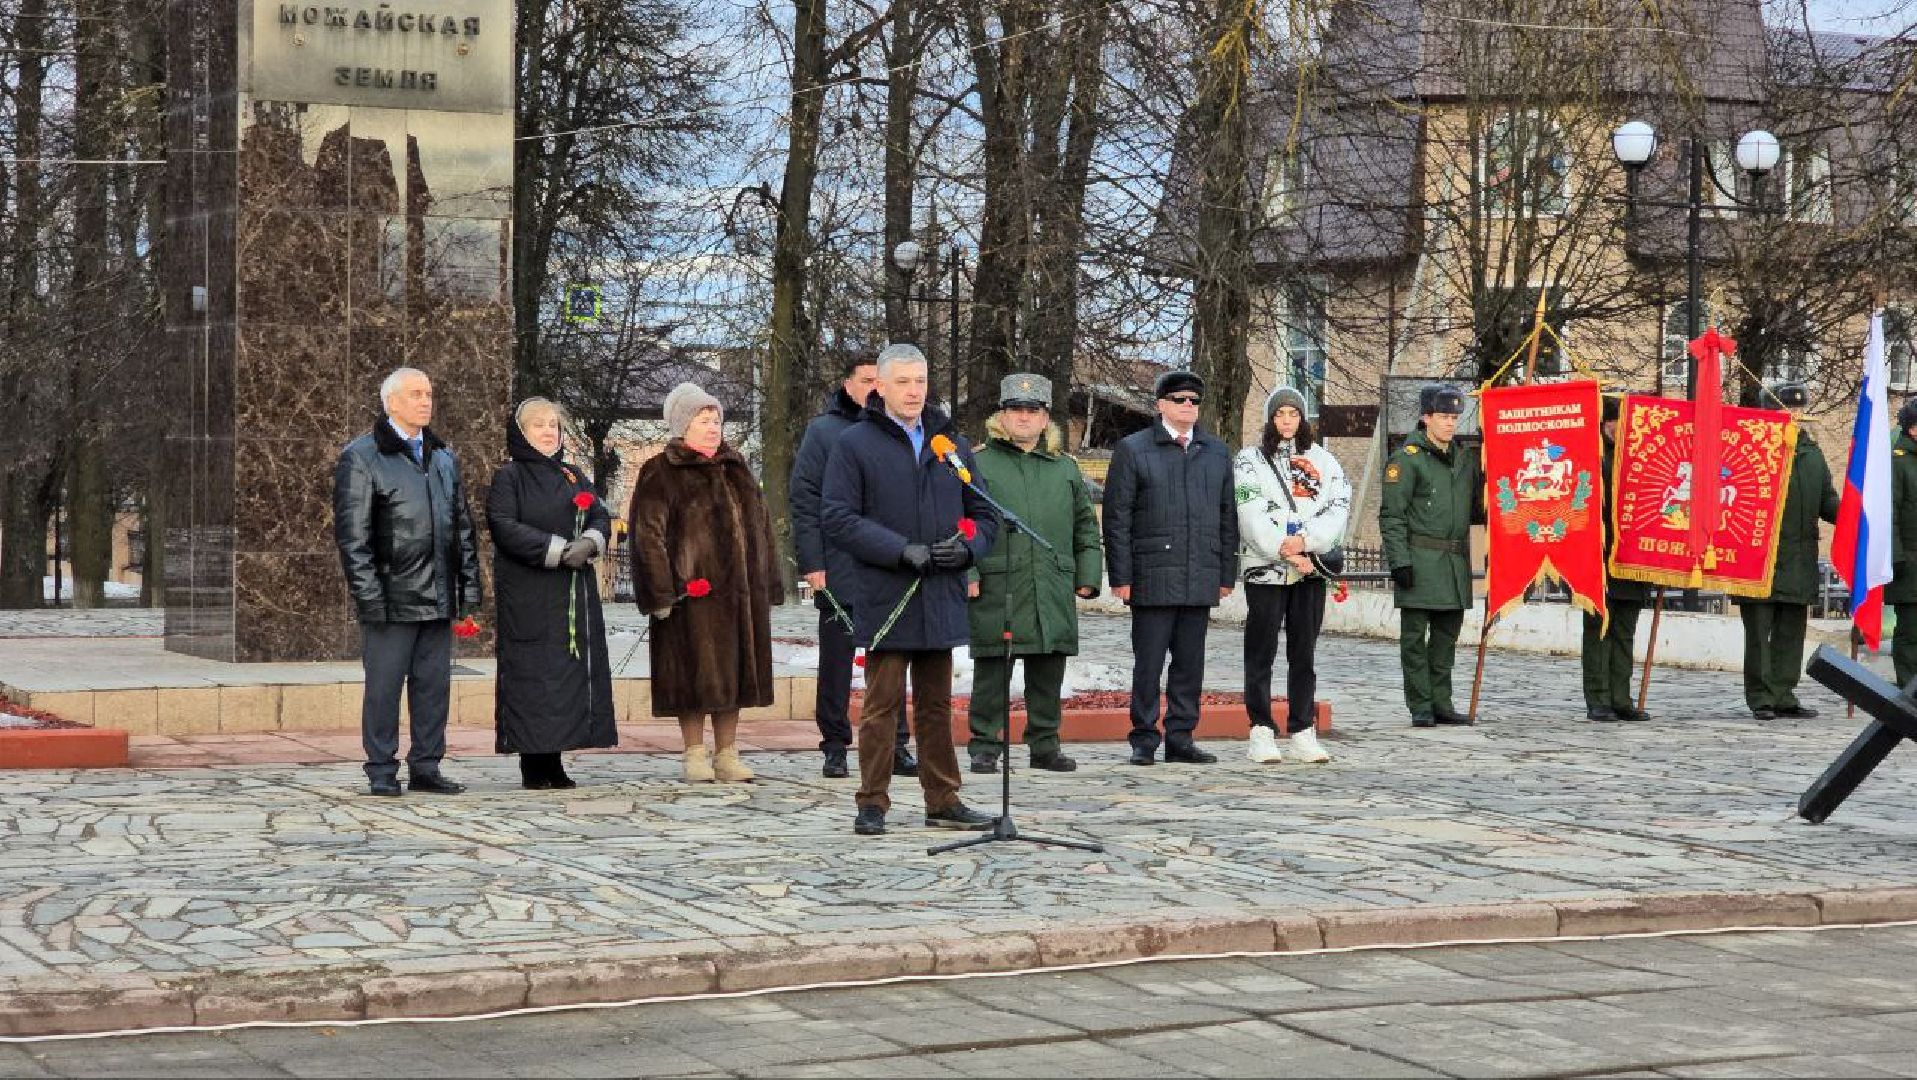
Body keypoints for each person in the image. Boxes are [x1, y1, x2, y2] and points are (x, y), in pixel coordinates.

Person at [820, 344, 998, 836]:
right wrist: (900, 550)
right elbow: (837, 517)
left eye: (920, 380)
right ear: (879, 386)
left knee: (938, 704)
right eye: (903, 382)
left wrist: (967, 550)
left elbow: (985, 515)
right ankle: (872, 801)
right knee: (882, 705)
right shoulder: (855, 444)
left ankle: (943, 799)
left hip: (939, 592)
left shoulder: (950, 445)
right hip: (887, 593)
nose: (915, 391)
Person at [332, 367, 481, 797]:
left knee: (433, 687)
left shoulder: (443, 457)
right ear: (391, 402)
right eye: (415, 393)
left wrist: (466, 591)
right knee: (384, 688)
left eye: (429, 393)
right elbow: (353, 537)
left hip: (436, 595)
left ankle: (426, 765)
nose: (425, 401)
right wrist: (369, 597)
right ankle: (381, 767)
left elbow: (462, 529)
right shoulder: (362, 457)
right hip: (391, 597)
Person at [627, 383, 783, 783]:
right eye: (703, 419)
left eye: (716, 419)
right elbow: (648, 535)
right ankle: (694, 754)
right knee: (693, 673)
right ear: (682, 425)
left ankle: (727, 754)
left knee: (736, 674)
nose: (713, 427)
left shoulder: (737, 467)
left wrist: (768, 582)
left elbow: (762, 527)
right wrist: (661, 591)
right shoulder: (660, 471)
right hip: (691, 597)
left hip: (741, 595)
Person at [964, 373, 1103, 775]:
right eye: (1015, 410)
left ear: (1045, 420)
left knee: (1048, 667)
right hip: (998, 581)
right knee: (992, 668)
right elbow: (963, 522)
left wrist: (1088, 574)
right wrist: (968, 570)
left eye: (1032, 410)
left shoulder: (1064, 469)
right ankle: (985, 744)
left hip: (1051, 581)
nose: (1023, 417)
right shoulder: (979, 463)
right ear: (1001, 416)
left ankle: (1045, 743)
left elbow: (1085, 526)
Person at [1102, 370, 1239, 766]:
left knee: (1190, 663)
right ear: (1161, 404)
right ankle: (1144, 737)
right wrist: (1122, 576)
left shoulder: (1215, 451)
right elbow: (1117, 517)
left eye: (1194, 401)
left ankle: (1181, 735)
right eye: (1180, 400)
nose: (1188, 407)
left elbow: (1227, 515)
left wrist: (1225, 573)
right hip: (1152, 573)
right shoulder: (1134, 449)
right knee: (1149, 662)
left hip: (1199, 573)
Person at [790, 357, 914, 780]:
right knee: (838, 661)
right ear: (847, 384)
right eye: (867, 382)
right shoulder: (823, 432)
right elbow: (805, 501)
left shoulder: (900, 431)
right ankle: (835, 744)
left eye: (881, 382)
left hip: (890, 565)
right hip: (840, 565)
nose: (875, 390)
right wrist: (813, 562)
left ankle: (896, 743)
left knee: (894, 659)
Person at [486, 398, 617, 789]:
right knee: (533, 677)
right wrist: (559, 551)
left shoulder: (573, 475)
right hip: (529, 594)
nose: (549, 432)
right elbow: (504, 525)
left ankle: (556, 757)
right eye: (539, 425)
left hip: (570, 593)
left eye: (554, 426)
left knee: (565, 677)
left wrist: (591, 542)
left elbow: (597, 513)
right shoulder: (509, 477)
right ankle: (533, 760)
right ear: (522, 433)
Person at [1234, 386, 1349, 764]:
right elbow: (1249, 510)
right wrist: (1283, 548)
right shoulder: (1249, 461)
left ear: (1303, 419)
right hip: (1267, 570)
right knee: (1261, 651)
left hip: (1310, 571)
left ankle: (1302, 728)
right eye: (1280, 414)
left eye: (1294, 414)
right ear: (1270, 418)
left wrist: (1307, 545)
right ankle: (1261, 729)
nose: (1287, 421)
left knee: (1304, 653)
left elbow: (1336, 508)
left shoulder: (1325, 462)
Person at [1379, 383, 1482, 729]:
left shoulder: (1465, 460)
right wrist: (1400, 562)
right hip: (1420, 561)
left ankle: (1441, 702)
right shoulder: (1407, 460)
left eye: (1454, 417)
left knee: (1445, 641)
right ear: (1426, 417)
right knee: (1414, 641)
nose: (1450, 424)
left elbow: (1477, 515)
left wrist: (1480, 568)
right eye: (1443, 417)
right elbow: (1392, 516)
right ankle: (1421, 705)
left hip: (1455, 565)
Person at [1736, 382, 1837, 721]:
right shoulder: (1749, 448)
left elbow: (1828, 501)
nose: (1791, 416)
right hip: (1757, 558)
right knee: (1759, 636)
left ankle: (1784, 694)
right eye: (1783, 410)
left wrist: (1857, 512)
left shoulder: (1811, 453)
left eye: (1795, 410)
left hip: (1799, 559)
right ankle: (1761, 697)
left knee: (1790, 633)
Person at [1579, 391, 1655, 723]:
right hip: (1596, 558)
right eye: (1612, 422)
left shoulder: (1640, 456)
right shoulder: (1589, 454)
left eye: (1622, 422)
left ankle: (1621, 697)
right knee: (1599, 631)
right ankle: (1598, 698)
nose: (1617, 428)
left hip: (1632, 559)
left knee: (1625, 631)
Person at [1890, 397, 1917, 687]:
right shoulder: (1898, 464)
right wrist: (1897, 559)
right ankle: (1909, 690)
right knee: (1911, 632)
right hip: (1909, 563)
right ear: (1913, 429)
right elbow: (1891, 514)